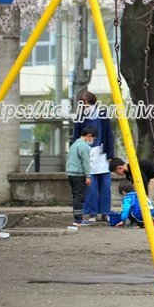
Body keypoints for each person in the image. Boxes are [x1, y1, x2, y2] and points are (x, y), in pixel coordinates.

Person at [73, 91, 115, 222]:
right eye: (83, 103)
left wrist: (111, 154)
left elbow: (109, 134)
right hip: (87, 154)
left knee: (105, 185)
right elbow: (76, 136)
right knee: (90, 185)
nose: (86, 106)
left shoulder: (102, 115)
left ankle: (105, 212)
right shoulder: (80, 117)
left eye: (87, 103)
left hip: (102, 153)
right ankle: (92, 213)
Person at [66, 127, 96, 227]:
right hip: (79, 174)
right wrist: (88, 176)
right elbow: (86, 162)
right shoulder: (84, 146)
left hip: (71, 173)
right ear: (89, 136)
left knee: (75, 197)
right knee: (79, 197)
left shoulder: (74, 144)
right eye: (93, 138)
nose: (93, 141)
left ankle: (79, 217)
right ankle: (78, 220)